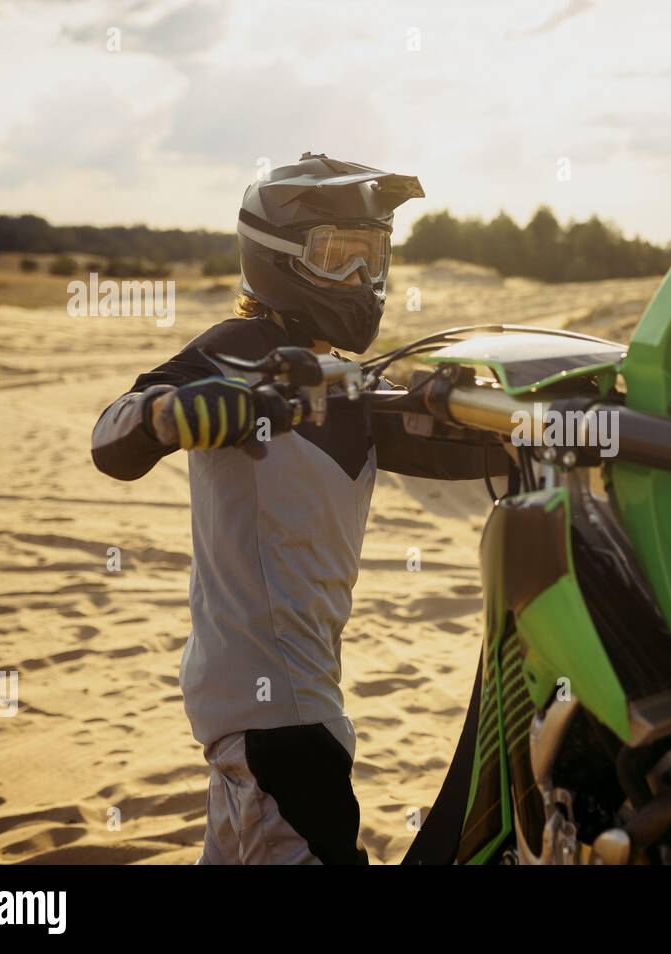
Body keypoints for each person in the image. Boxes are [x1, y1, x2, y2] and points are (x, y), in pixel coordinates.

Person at [91, 153, 504, 864]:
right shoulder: (241, 352)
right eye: (337, 257)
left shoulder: (346, 386)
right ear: (279, 256)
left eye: (371, 260)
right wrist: (174, 412)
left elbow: (469, 453)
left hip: (297, 707)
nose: (358, 280)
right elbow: (112, 435)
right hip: (272, 716)